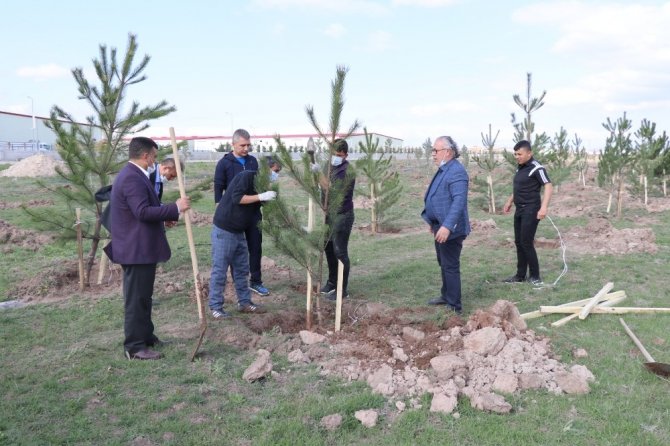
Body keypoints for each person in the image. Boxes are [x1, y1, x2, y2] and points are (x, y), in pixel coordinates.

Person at [104, 137, 190, 360]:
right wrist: (175, 208)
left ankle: (146, 336)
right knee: (136, 299)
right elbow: (142, 212)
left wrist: (164, 217)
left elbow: (143, 211)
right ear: (145, 156)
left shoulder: (135, 175)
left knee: (144, 297)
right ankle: (134, 347)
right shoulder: (132, 177)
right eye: (153, 155)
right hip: (135, 249)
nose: (155, 159)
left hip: (141, 247)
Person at [209, 170, 277, 318]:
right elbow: (237, 198)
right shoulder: (247, 177)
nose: (275, 175)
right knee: (220, 269)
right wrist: (261, 196)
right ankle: (216, 307)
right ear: (266, 168)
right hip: (225, 228)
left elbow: (266, 207)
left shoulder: (262, 186)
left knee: (241, 269)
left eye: (278, 172)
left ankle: (245, 303)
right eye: (273, 171)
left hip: (240, 231)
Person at [214, 129, 270, 297]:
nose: (246, 148)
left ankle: (256, 281)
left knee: (255, 246)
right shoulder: (224, 163)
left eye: (248, 145)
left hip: (253, 212)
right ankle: (235, 281)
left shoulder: (252, 161)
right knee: (233, 248)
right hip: (234, 214)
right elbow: (218, 186)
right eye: (242, 145)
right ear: (233, 144)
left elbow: (258, 183)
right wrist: (219, 205)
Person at [421, 135, 470, 315]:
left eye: (436, 150)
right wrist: (432, 220)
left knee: (450, 265)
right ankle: (446, 295)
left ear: (447, 152)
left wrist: (447, 226)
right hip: (439, 226)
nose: (433, 154)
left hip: (451, 229)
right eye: (433, 150)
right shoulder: (445, 169)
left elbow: (458, 202)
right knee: (443, 262)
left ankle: (454, 305)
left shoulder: (457, 171)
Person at [502, 140, 553, 286]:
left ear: (529, 153)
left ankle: (535, 276)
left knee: (526, 242)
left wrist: (544, 208)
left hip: (531, 209)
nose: (517, 156)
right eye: (515, 154)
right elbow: (519, 187)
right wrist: (510, 201)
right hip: (520, 209)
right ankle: (520, 275)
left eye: (520, 154)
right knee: (519, 242)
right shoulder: (520, 168)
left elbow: (548, 186)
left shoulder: (537, 168)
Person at [314, 139, 356, 300]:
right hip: (329, 215)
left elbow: (331, 190)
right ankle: (332, 282)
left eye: (339, 155)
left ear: (346, 155)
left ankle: (342, 290)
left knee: (340, 251)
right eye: (333, 154)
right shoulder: (328, 165)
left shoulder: (347, 171)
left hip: (342, 215)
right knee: (328, 248)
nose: (335, 157)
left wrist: (318, 174)